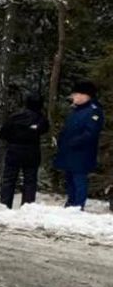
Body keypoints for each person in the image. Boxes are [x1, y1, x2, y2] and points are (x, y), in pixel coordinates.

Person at [53, 80, 104, 209]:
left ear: (85, 95)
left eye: (75, 94)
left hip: (82, 152)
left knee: (79, 179)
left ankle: (78, 205)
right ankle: (71, 202)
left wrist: (75, 142)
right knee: (70, 178)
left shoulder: (94, 111)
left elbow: (91, 132)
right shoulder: (77, 110)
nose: (73, 97)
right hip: (70, 151)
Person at [0, 93, 49, 208]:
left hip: (14, 150)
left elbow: (3, 133)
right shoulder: (41, 118)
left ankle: (5, 204)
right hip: (32, 151)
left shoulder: (15, 116)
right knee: (30, 180)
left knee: (9, 179)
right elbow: (45, 129)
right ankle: (28, 205)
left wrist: (12, 140)